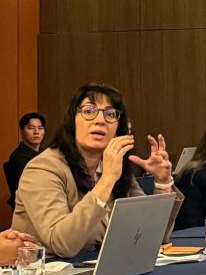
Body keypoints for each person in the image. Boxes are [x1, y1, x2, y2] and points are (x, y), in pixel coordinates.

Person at [12, 83, 173, 259]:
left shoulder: (113, 166)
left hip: (99, 266)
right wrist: (107, 180)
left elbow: (152, 236)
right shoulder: (43, 168)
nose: (100, 120)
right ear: (72, 121)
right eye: (89, 111)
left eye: (110, 114)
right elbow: (62, 243)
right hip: (46, 271)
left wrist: (162, 183)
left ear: (118, 129)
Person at [4, 111, 44, 209]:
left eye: (40, 128)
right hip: (30, 204)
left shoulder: (44, 153)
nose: (36, 132)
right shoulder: (18, 157)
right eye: (31, 128)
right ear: (22, 132)